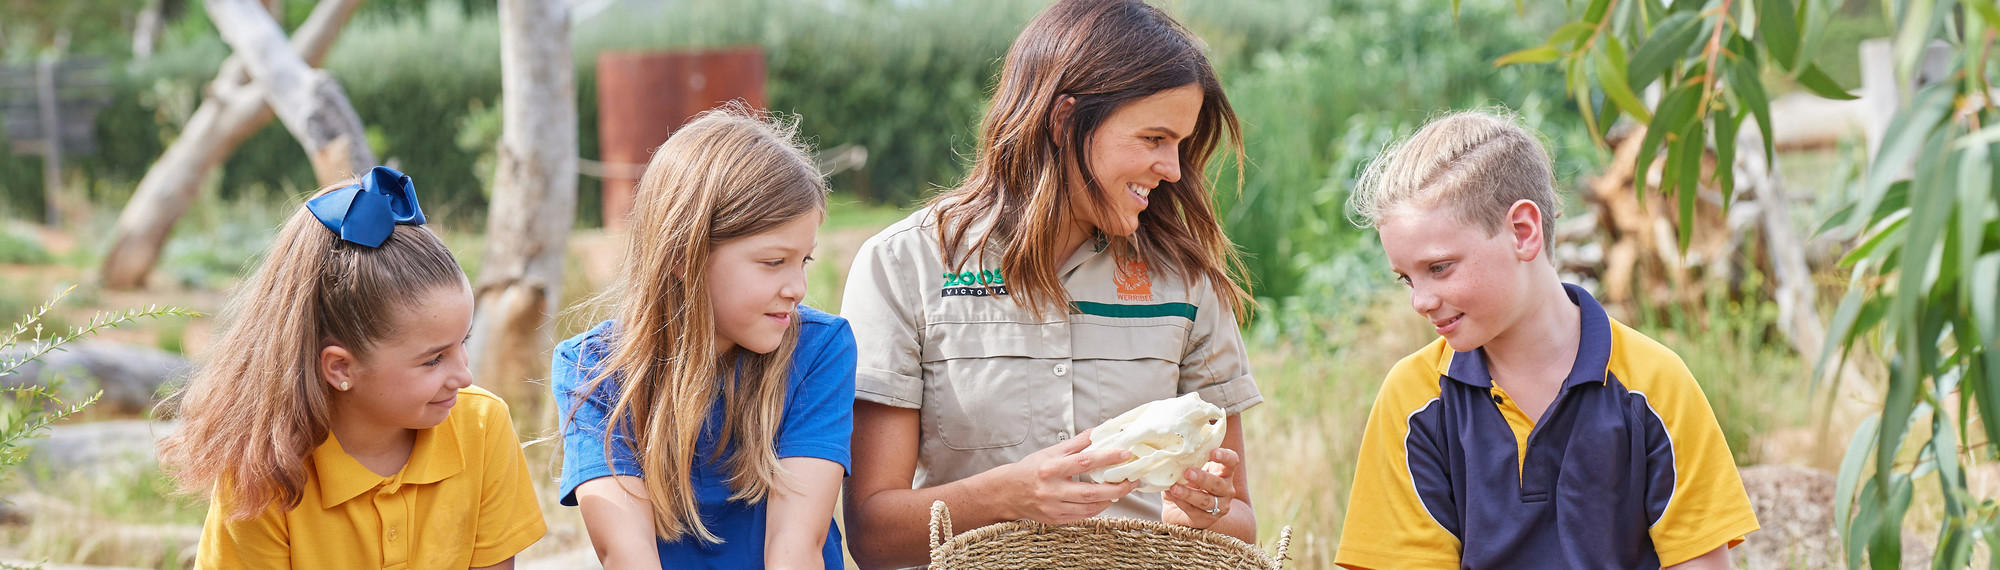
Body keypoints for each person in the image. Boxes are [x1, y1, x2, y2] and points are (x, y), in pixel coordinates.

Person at [840, 0, 1261, 566]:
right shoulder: (902, 266)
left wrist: (1205, 513)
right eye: (1154, 139)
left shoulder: (1187, 283)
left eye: (1180, 144)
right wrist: (1004, 495)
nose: (1174, 170)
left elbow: (1239, 528)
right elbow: (872, 536)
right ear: (1064, 121)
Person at [1335, 110, 1760, 569]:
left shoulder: (1656, 385)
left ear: (1523, 231)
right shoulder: (1413, 400)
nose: (1420, 301)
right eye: (1406, 278)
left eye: (1439, 268)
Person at [157, 166, 546, 569]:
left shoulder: (482, 427)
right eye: (433, 359)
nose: (464, 376)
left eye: (461, 343)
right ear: (341, 368)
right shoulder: (262, 472)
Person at [552, 107, 855, 569]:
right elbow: (625, 554)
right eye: (774, 262)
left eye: (804, 261)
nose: (797, 287)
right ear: (683, 255)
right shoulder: (592, 370)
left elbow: (796, 547)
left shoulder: (819, 350)